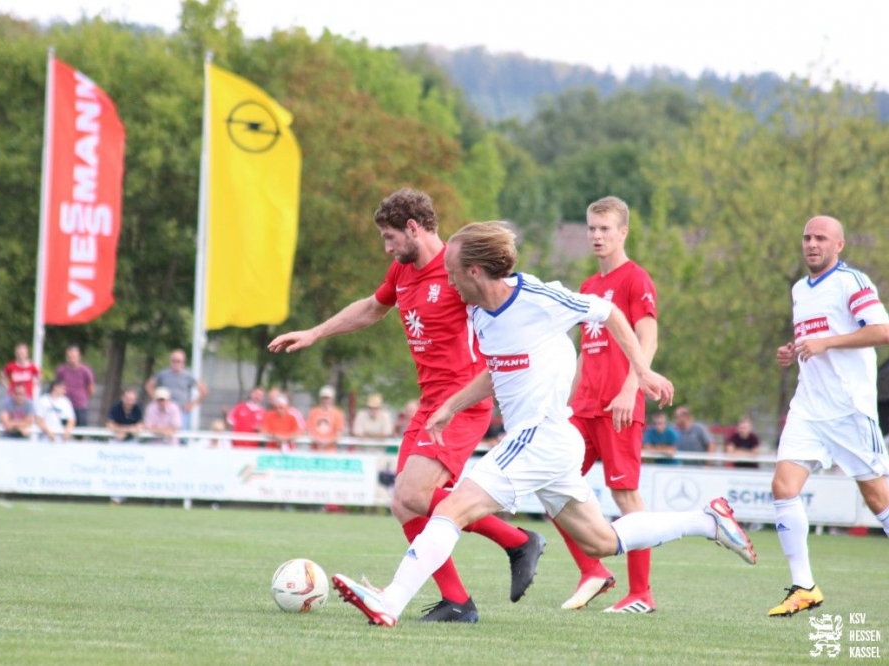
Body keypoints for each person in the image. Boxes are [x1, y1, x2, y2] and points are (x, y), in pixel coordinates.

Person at [332, 221, 756, 627]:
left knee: (450, 509)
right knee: (600, 541)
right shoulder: (480, 314)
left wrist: (642, 372)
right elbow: (496, 370)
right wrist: (451, 406)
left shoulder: (536, 296)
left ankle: (390, 601)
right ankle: (707, 521)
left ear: (474, 271)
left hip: (539, 435)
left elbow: (609, 312)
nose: (448, 280)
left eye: (452, 271)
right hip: (553, 443)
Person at [269, 189, 545, 622]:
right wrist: (315, 333)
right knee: (403, 502)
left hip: (461, 404)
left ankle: (518, 541)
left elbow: (506, 312)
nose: (387, 247)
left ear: (413, 228)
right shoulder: (402, 270)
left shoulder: (458, 271)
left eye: (390, 237)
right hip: (429, 404)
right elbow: (371, 308)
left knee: (414, 494)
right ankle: (458, 601)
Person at [769, 215, 889, 617]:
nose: (812, 244)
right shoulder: (800, 289)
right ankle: (804, 586)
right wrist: (793, 350)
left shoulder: (852, 282)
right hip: (808, 407)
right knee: (783, 487)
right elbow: (813, 340)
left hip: (848, 409)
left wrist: (827, 343)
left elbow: (882, 330)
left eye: (821, 238)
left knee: (877, 498)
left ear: (839, 245)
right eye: (807, 237)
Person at [555, 196, 661, 613]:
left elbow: (647, 340)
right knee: (550, 482)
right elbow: (587, 349)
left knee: (626, 497)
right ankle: (592, 571)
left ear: (623, 232)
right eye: (592, 228)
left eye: (605, 229)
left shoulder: (636, 279)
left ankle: (641, 594)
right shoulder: (587, 286)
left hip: (619, 407)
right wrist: (566, 402)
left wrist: (630, 388)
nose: (596, 236)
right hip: (583, 408)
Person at [145, 349, 208, 431]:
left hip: (182, 412)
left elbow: (204, 390)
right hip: (165, 412)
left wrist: (192, 404)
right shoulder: (163, 374)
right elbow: (149, 386)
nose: (176, 363)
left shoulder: (188, 375)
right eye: (173, 361)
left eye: (178, 361)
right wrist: (156, 399)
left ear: (183, 363)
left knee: (182, 436)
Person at [54, 345, 95, 429]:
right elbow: (56, 386)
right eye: (69, 357)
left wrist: (83, 398)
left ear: (78, 357)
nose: (71, 359)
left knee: (81, 431)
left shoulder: (85, 371)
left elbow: (91, 387)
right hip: (64, 406)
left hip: (80, 406)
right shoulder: (61, 371)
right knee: (63, 430)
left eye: (74, 357)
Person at [306, 385, 346, 452]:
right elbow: (309, 431)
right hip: (314, 450)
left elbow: (339, 434)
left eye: (327, 398)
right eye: (323, 398)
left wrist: (327, 442)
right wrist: (318, 441)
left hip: (330, 451)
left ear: (332, 399)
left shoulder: (338, 414)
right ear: (320, 399)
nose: (325, 400)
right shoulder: (313, 412)